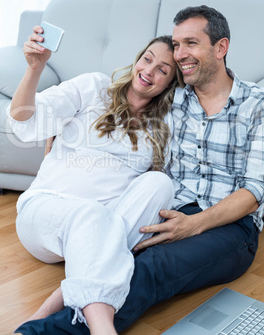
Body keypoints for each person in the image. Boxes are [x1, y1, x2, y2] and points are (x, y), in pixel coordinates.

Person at [15, 5, 264, 335]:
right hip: (152, 213)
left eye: (189, 44)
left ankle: (48, 321)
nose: (180, 55)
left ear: (220, 47)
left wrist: (193, 225)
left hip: (226, 224)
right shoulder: (174, 101)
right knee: (123, 251)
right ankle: (74, 319)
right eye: (176, 46)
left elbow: (254, 193)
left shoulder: (254, 105)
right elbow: (37, 121)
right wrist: (55, 116)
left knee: (148, 255)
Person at [9, 28, 183, 335]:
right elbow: (25, 122)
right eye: (147, 59)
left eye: (162, 70)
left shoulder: (162, 127)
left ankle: (59, 298)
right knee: (92, 214)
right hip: (46, 214)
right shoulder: (94, 86)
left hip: (102, 231)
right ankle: (102, 327)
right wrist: (34, 69)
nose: (149, 71)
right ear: (137, 59)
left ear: (170, 83)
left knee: (160, 184)